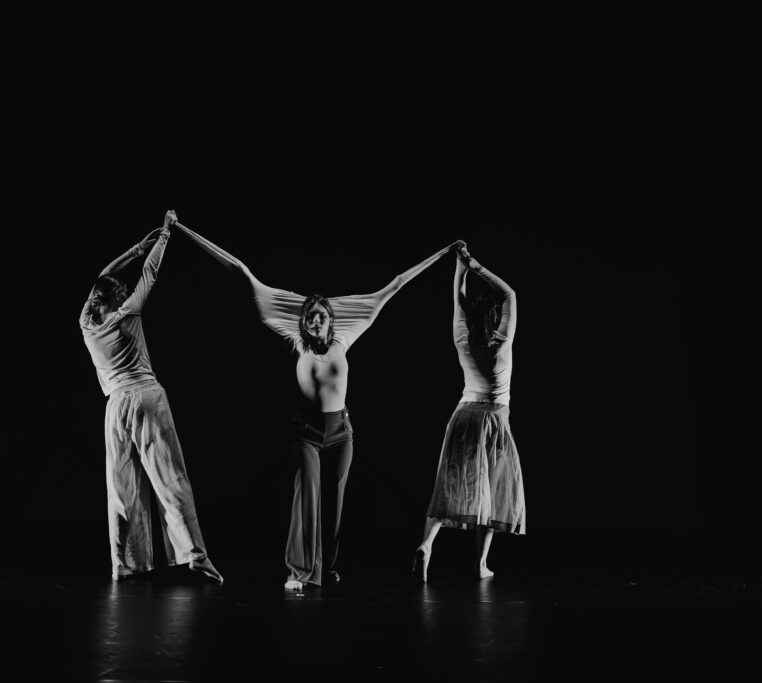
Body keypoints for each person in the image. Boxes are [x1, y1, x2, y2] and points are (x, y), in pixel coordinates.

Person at [173, 221, 456, 589]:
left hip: (341, 432)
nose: (316, 319)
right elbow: (241, 271)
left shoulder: (345, 339)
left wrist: (444, 252)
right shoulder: (296, 343)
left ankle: (328, 567)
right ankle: (300, 572)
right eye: (311, 316)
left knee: (334, 504)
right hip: (306, 432)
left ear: (331, 321)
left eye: (322, 315)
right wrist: (181, 230)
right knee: (306, 498)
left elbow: (396, 284)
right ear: (304, 323)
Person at [80, 210, 223, 583]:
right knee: (170, 477)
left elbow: (102, 275)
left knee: (120, 487)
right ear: (117, 298)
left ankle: (122, 563)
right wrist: (163, 236)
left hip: (115, 407)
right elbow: (150, 274)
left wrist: (133, 249)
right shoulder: (128, 313)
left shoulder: (86, 324)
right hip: (146, 397)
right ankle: (196, 555)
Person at [413, 242, 526, 582]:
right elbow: (510, 294)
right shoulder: (501, 342)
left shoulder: (462, 339)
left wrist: (460, 266)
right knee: (491, 490)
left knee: (447, 485)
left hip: (462, 416)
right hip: (493, 418)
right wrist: (475, 265)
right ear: (495, 318)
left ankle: (426, 545)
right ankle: (479, 564)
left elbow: (457, 298)